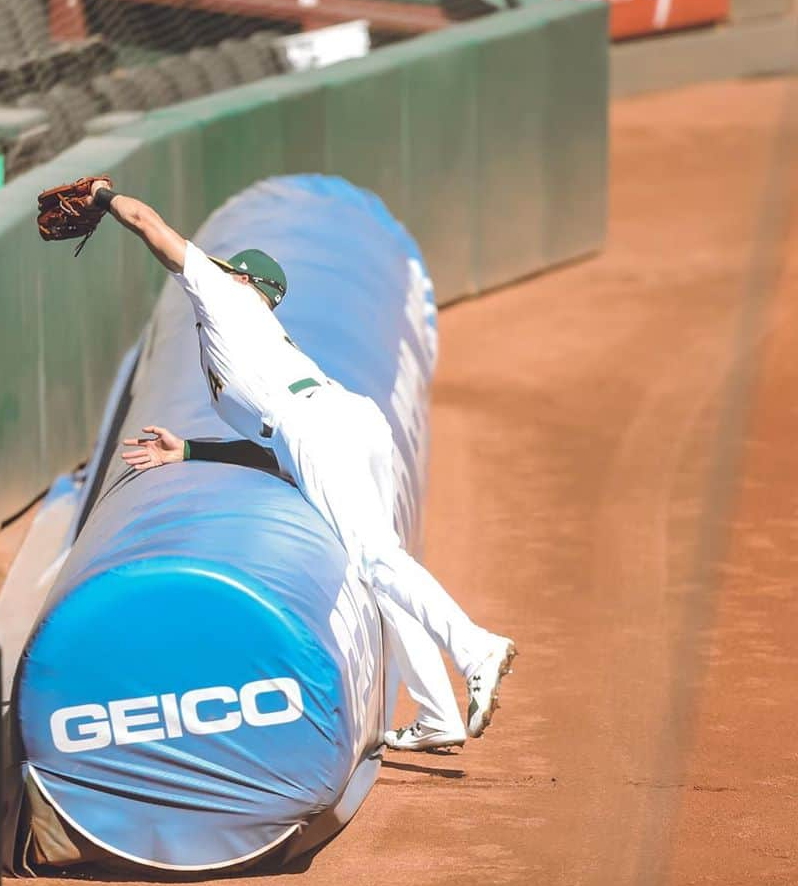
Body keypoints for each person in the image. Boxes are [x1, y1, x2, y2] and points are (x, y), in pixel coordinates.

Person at [90, 178, 516, 750]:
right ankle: (438, 713)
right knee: (381, 565)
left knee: (376, 557)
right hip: (341, 421)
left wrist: (103, 197)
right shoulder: (247, 332)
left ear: (243, 280)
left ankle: (475, 648)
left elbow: (148, 224)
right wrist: (190, 450)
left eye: (229, 269)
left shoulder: (226, 296)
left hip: (316, 424)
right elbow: (274, 451)